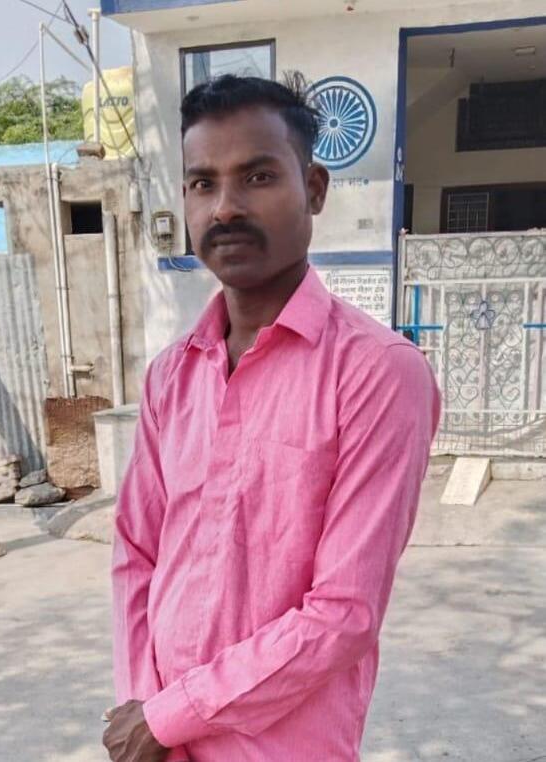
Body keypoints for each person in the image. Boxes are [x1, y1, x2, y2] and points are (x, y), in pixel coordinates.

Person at [103, 73, 440, 762]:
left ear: (313, 188)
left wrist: (168, 716)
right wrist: (145, 706)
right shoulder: (172, 375)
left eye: (257, 176)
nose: (225, 207)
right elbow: (136, 554)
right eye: (202, 183)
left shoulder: (376, 372)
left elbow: (344, 613)